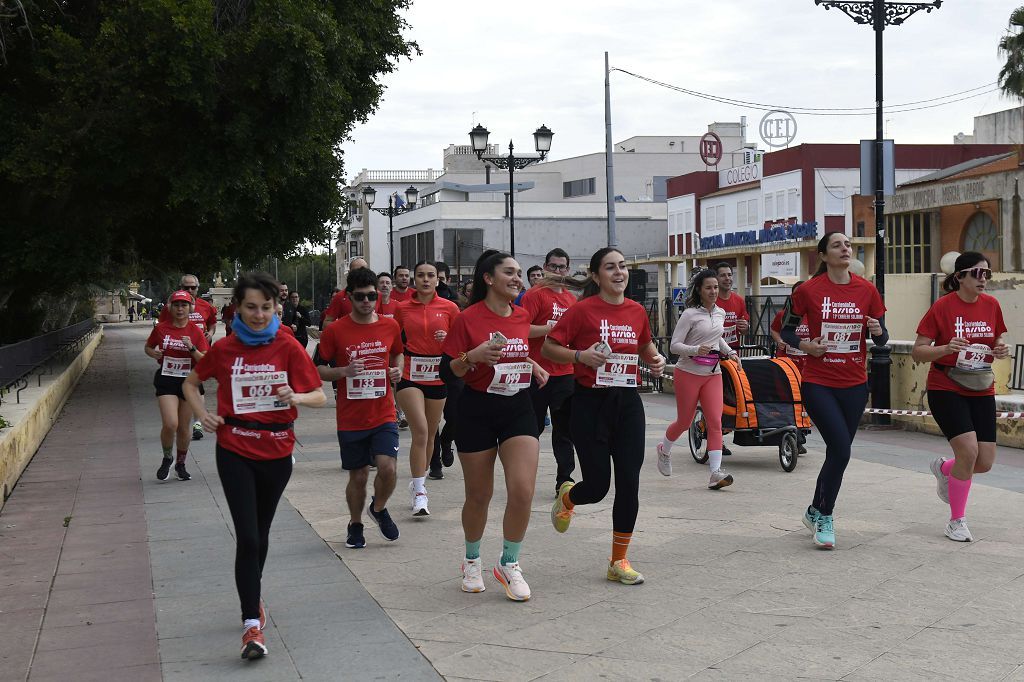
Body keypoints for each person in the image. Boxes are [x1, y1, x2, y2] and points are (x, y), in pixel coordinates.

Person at [183, 272, 325, 661]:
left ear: (276, 307)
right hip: (235, 448)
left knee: (260, 535)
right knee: (247, 537)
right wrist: (202, 414)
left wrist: (295, 395)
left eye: (266, 307)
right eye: (251, 307)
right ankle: (251, 626)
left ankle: (253, 595)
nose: (259, 314)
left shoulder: (288, 346)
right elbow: (191, 382)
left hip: (278, 453)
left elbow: (318, 396)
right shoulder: (226, 349)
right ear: (238, 309)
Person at [544, 248, 666, 585]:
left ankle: (618, 561)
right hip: (589, 403)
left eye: (622, 266)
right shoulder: (582, 311)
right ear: (596, 276)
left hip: (627, 403)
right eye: (610, 267)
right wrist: (580, 356)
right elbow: (548, 347)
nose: (619, 272)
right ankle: (567, 497)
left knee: (629, 482)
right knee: (597, 487)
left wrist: (655, 360)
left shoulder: (637, 311)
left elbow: (645, 346)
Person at [441, 250, 548, 601]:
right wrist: (471, 357)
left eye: (519, 273)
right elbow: (447, 371)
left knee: (522, 490)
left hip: (518, 407)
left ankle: (509, 562)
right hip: (476, 410)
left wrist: (531, 364)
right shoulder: (467, 319)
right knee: (479, 495)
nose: (517, 278)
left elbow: (515, 348)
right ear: (488, 278)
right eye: (510, 272)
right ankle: (471, 560)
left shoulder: (521, 315)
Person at [780, 231, 887, 549]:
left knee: (837, 454)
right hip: (819, 382)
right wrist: (806, 345)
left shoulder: (867, 290)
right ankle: (825, 516)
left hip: (855, 384)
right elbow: (786, 329)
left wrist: (878, 331)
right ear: (823, 255)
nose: (845, 248)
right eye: (837, 245)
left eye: (848, 244)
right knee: (841, 450)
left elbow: (881, 338)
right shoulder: (808, 290)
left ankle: (814, 509)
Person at [912, 252, 1008, 542]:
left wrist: (1000, 348)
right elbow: (918, 351)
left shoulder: (992, 305)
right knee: (968, 452)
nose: (984, 280)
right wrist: (946, 348)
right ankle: (956, 521)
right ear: (960, 277)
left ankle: (944, 468)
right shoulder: (942, 307)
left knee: (985, 461)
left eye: (988, 274)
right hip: (946, 386)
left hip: (981, 385)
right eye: (979, 273)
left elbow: (997, 338)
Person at [316, 268, 404, 549]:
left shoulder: (390, 326)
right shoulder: (335, 330)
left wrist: (397, 371)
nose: (367, 301)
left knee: (388, 468)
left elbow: (399, 353)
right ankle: (355, 523)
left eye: (371, 296)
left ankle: (378, 508)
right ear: (349, 297)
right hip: (351, 417)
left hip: (383, 412)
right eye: (360, 297)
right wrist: (344, 371)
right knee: (359, 475)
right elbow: (318, 369)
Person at [656, 269, 739, 488]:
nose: (713, 291)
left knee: (715, 422)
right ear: (700, 291)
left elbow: (717, 339)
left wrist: (730, 352)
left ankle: (715, 473)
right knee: (684, 421)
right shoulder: (690, 314)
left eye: (715, 287)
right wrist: (695, 350)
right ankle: (664, 450)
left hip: (713, 373)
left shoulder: (720, 312)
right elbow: (674, 346)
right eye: (709, 288)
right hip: (688, 373)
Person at [394, 261, 460, 515]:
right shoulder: (403, 308)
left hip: (438, 374)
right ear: (414, 279)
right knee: (420, 430)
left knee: (430, 434)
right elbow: (393, 340)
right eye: (420, 275)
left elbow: (462, 343)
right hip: (410, 373)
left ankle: (417, 482)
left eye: (430, 275)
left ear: (437, 280)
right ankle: (420, 491)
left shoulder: (450, 307)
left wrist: (449, 340)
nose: (425, 279)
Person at [520, 247, 579, 496]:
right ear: (545, 267)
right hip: (537, 370)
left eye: (561, 267)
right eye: (552, 266)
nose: (556, 271)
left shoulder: (571, 300)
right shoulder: (534, 296)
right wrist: (548, 328)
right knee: (532, 428)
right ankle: (523, 477)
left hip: (565, 371)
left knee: (564, 429)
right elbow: (521, 329)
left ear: (567, 269)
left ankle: (564, 480)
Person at [144, 291, 210, 482]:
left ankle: (180, 464)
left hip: (188, 382)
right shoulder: (161, 328)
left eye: (184, 305)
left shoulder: (196, 331)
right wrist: (153, 353)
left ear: (190, 308)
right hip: (166, 379)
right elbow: (148, 347)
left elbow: (205, 361)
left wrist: (192, 348)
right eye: (176, 305)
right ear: (170, 307)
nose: (180, 309)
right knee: (170, 423)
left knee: (183, 428)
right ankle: (167, 457)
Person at [159, 274, 219, 441]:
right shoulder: (171, 306)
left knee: (197, 385)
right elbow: (161, 327)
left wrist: (210, 333)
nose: (190, 290)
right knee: (191, 387)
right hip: (178, 355)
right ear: (181, 288)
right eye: (187, 288)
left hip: (199, 352)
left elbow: (213, 323)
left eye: (193, 287)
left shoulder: (205, 305)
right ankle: (184, 420)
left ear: (198, 289)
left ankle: (197, 422)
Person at [770, 281, 809, 454]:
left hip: (807, 365)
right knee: (788, 401)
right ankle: (793, 438)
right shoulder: (784, 314)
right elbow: (774, 330)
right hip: (786, 364)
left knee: (804, 402)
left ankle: (799, 435)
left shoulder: (814, 314)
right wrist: (780, 341)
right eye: (797, 293)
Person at [714, 263, 748, 457]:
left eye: (729, 275)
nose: (727, 278)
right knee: (718, 399)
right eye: (723, 276)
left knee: (733, 396)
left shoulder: (738, 301)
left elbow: (744, 327)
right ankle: (717, 440)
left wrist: (744, 327)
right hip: (712, 357)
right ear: (716, 279)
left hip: (733, 355)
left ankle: (727, 431)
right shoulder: (713, 300)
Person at [322, 258, 369, 327]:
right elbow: (327, 322)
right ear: (350, 273)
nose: (360, 273)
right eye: (356, 271)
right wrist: (344, 329)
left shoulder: (377, 295)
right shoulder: (340, 296)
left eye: (363, 270)